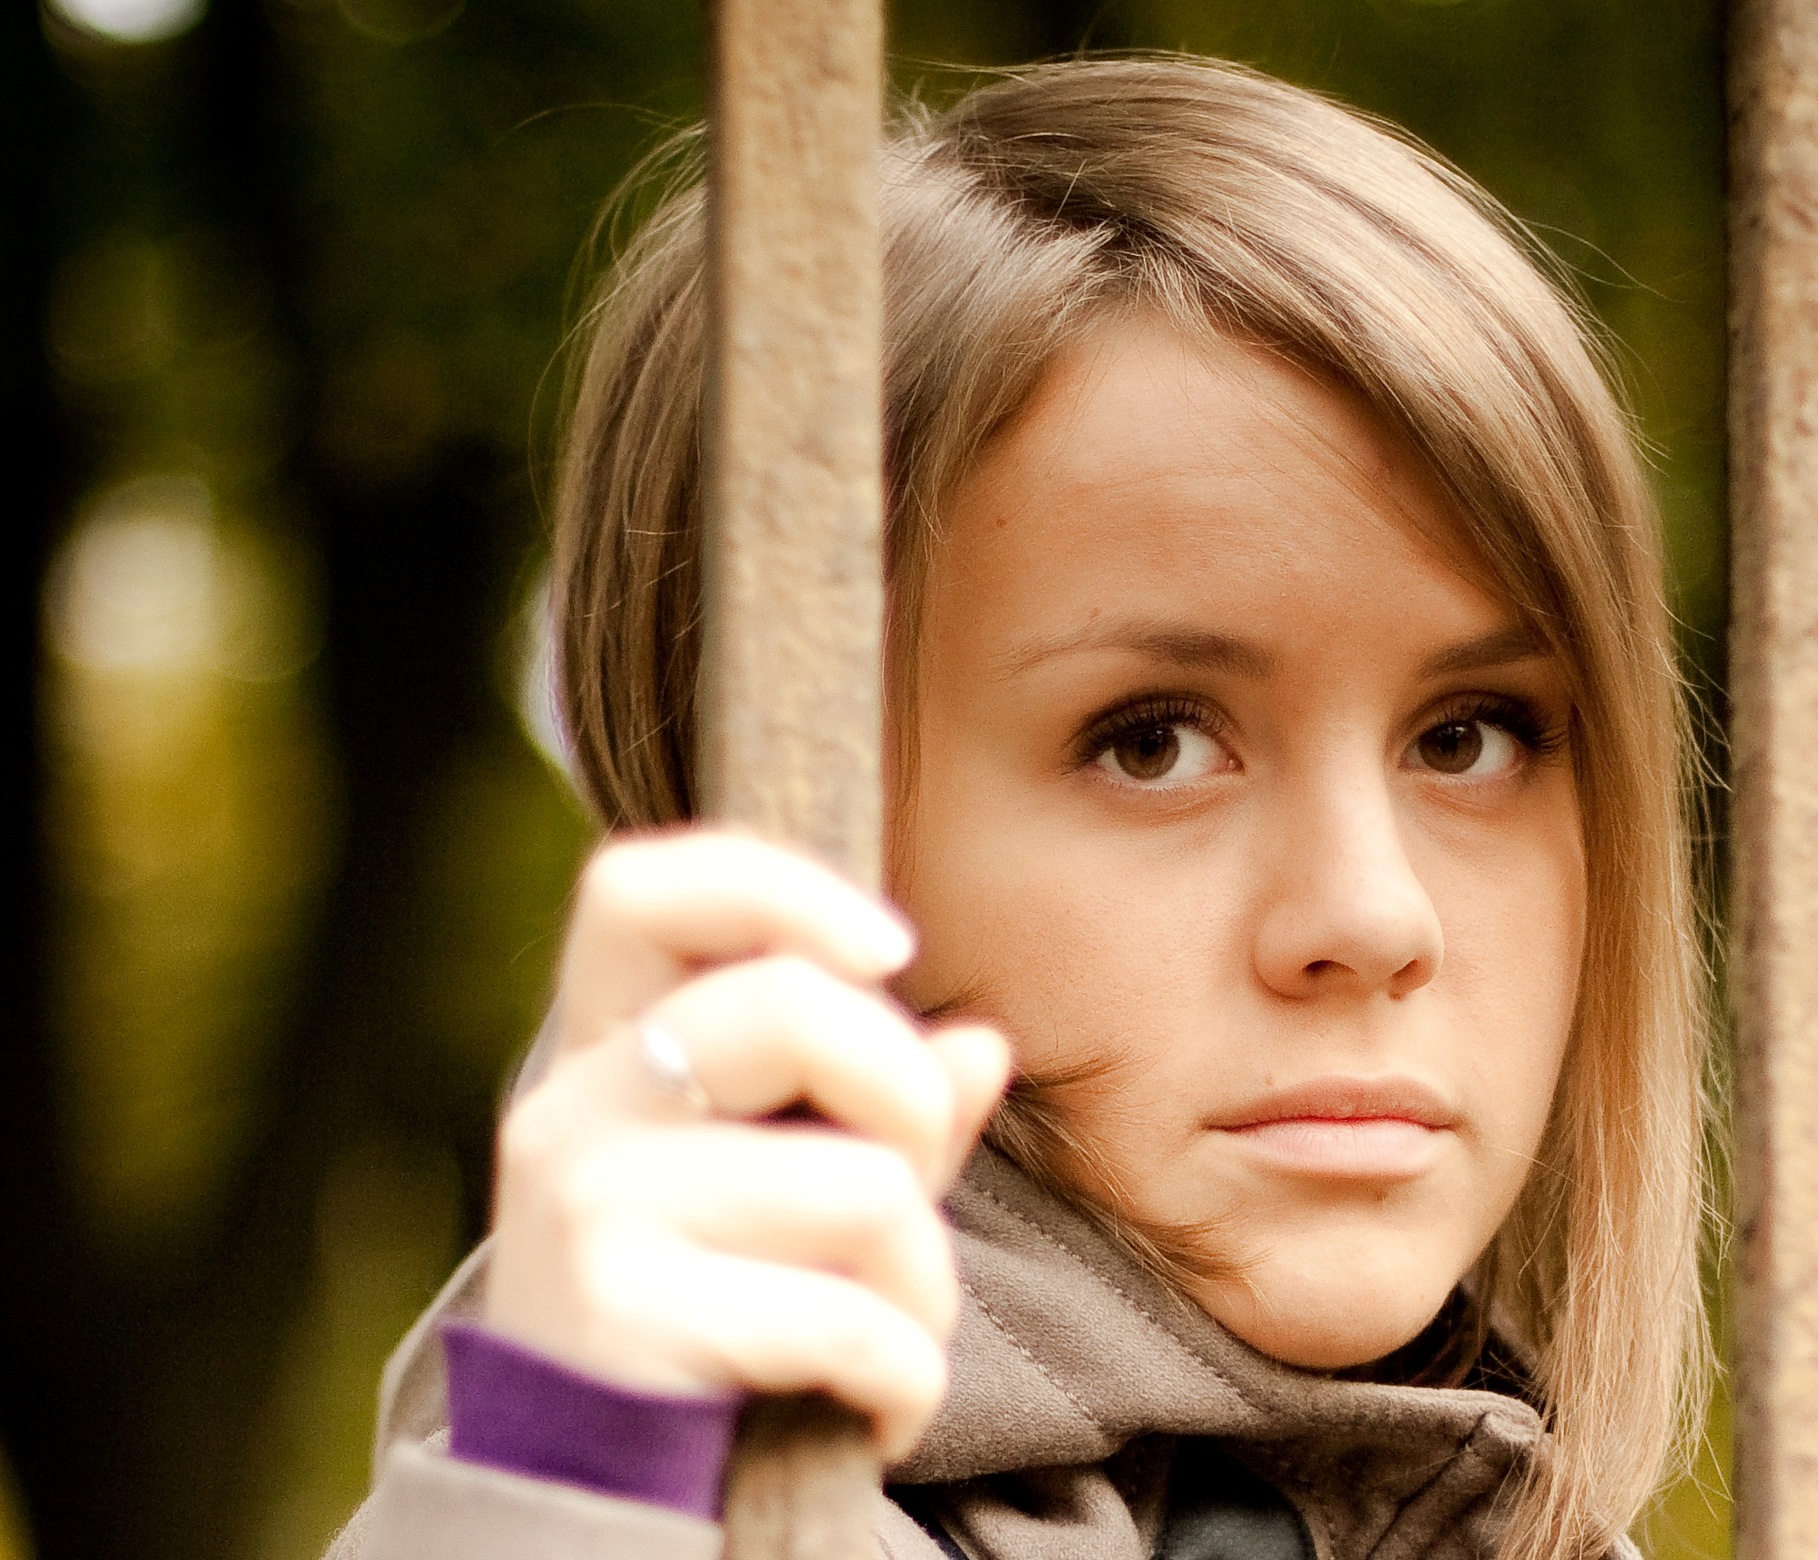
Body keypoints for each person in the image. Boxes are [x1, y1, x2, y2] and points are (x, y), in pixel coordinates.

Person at [327, 55, 1711, 1560]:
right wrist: (567, 1483)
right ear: (783, 808)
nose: (1375, 917)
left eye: (1469, 737)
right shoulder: (603, 1511)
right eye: (1153, 743)